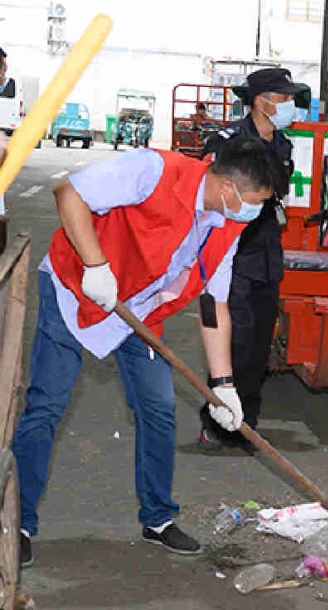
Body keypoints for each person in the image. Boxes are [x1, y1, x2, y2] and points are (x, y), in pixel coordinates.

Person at [12, 138, 282, 568]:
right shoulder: (153, 170)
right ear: (228, 188)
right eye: (255, 202)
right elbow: (69, 193)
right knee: (46, 405)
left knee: (158, 408)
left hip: (138, 310)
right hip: (76, 285)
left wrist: (224, 385)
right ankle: (17, 524)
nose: (256, 213)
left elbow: (214, 305)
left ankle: (157, 519)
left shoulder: (228, 225)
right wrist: (96, 265)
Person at [196, 67, 306, 451]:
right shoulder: (227, 141)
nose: (292, 106)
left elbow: (277, 198)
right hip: (233, 255)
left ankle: (246, 424)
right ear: (263, 101)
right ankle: (216, 420)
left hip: (267, 254)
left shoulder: (284, 146)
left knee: (259, 345)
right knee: (234, 341)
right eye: (286, 99)